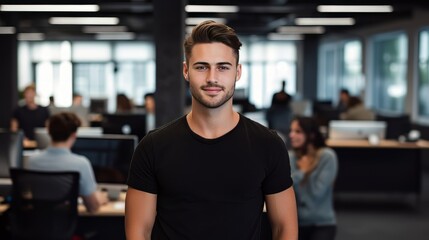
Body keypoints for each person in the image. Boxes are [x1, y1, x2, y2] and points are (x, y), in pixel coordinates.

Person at [125, 20, 298, 240]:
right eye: (201, 66)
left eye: (223, 67)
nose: (212, 78)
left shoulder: (268, 144)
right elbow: (138, 233)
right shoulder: (153, 147)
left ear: (238, 72)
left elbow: (285, 228)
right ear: (186, 71)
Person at [26, 112, 108, 213]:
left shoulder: (32, 161)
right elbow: (92, 207)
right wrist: (99, 198)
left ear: (49, 132)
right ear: (74, 135)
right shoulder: (81, 164)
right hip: (68, 227)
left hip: (37, 225)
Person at [288, 116, 338, 240]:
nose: (291, 135)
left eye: (298, 131)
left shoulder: (327, 157)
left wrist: (305, 172)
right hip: (296, 222)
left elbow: (317, 193)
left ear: (311, 135)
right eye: (291, 131)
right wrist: (301, 172)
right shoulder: (291, 157)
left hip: (321, 223)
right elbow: (287, 190)